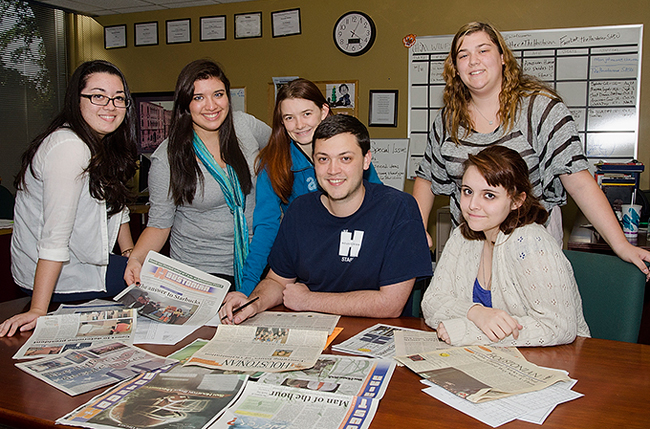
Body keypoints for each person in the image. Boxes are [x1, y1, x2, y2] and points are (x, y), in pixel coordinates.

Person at [412, 21, 650, 277]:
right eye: (463, 54)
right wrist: (414, 232)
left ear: (502, 58)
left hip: (530, 247)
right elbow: (427, 179)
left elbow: (579, 182)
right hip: (471, 246)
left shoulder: (541, 110)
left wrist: (621, 245)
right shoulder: (448, 119)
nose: (473, 61)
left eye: (483, 50)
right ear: (455, 69)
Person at [220, 115, 432, 324]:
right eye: (323, 159)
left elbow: (390, 304)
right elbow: (277, 281)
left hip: (375, 338)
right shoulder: (300, 211)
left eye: (345, 158)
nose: (333, 170)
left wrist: (309, 300)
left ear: (366, 160)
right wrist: (253, 303)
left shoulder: (399, 209)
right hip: (312, 333)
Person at [0, 60, 138, 337]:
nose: (110, 106)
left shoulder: (102, 142)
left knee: (156, 276)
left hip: (89, 261)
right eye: (98, 96)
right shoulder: (69, 147)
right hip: (59, 277)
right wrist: (39, 309)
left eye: (118, 98)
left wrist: (130, 256)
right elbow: (54, 237)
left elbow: (117, 208)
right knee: (164, 289)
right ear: (77, 100)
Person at [421, 146, 590, 347]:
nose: (473, 204)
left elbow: (559, 328)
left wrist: (470, 330)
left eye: (489, 195)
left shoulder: (531, 242)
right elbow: (431, 303)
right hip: (490, 360)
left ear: (517, 200)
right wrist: (475, 313)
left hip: (560, 360)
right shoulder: (461, 237)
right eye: (467, 192)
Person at [124, 59, 270, 291]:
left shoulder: (245, 125)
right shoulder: (168, 157)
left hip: (260, 260)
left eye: (218, 94)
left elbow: (283, 149)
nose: (211, 105)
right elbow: (160, 225)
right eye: (198, 97)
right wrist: (136, 259)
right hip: (202, 272)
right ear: (185, 104)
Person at [241, 78, 381, 295]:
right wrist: (246, 289)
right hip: (310, 266)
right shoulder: (274, 163)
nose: (299, 125)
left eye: (307, 114)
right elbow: (266, 228)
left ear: (324, 111)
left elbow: (380, 203)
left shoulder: (349, 149)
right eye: (289, 117)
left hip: (357, 256)